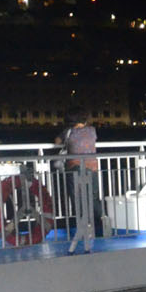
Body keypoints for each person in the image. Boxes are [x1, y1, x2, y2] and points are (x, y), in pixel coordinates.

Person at [58, 106, 100, 253]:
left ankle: (81, 229)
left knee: (77, 199)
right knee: (92, 198)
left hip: (74, 168)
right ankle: (95, 226)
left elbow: (58, 141)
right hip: (92, 168)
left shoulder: (68, 132)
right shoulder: (92, 130)